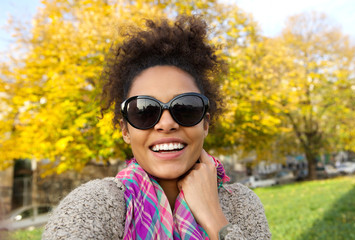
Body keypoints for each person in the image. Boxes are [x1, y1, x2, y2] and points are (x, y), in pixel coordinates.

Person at [43, 15, 271, 240]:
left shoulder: (242, 204)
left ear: (205, 123)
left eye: (185, 107)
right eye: (144, 111)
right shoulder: (93, 204)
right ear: (125, 130)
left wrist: (213, 217)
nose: (166, 123)